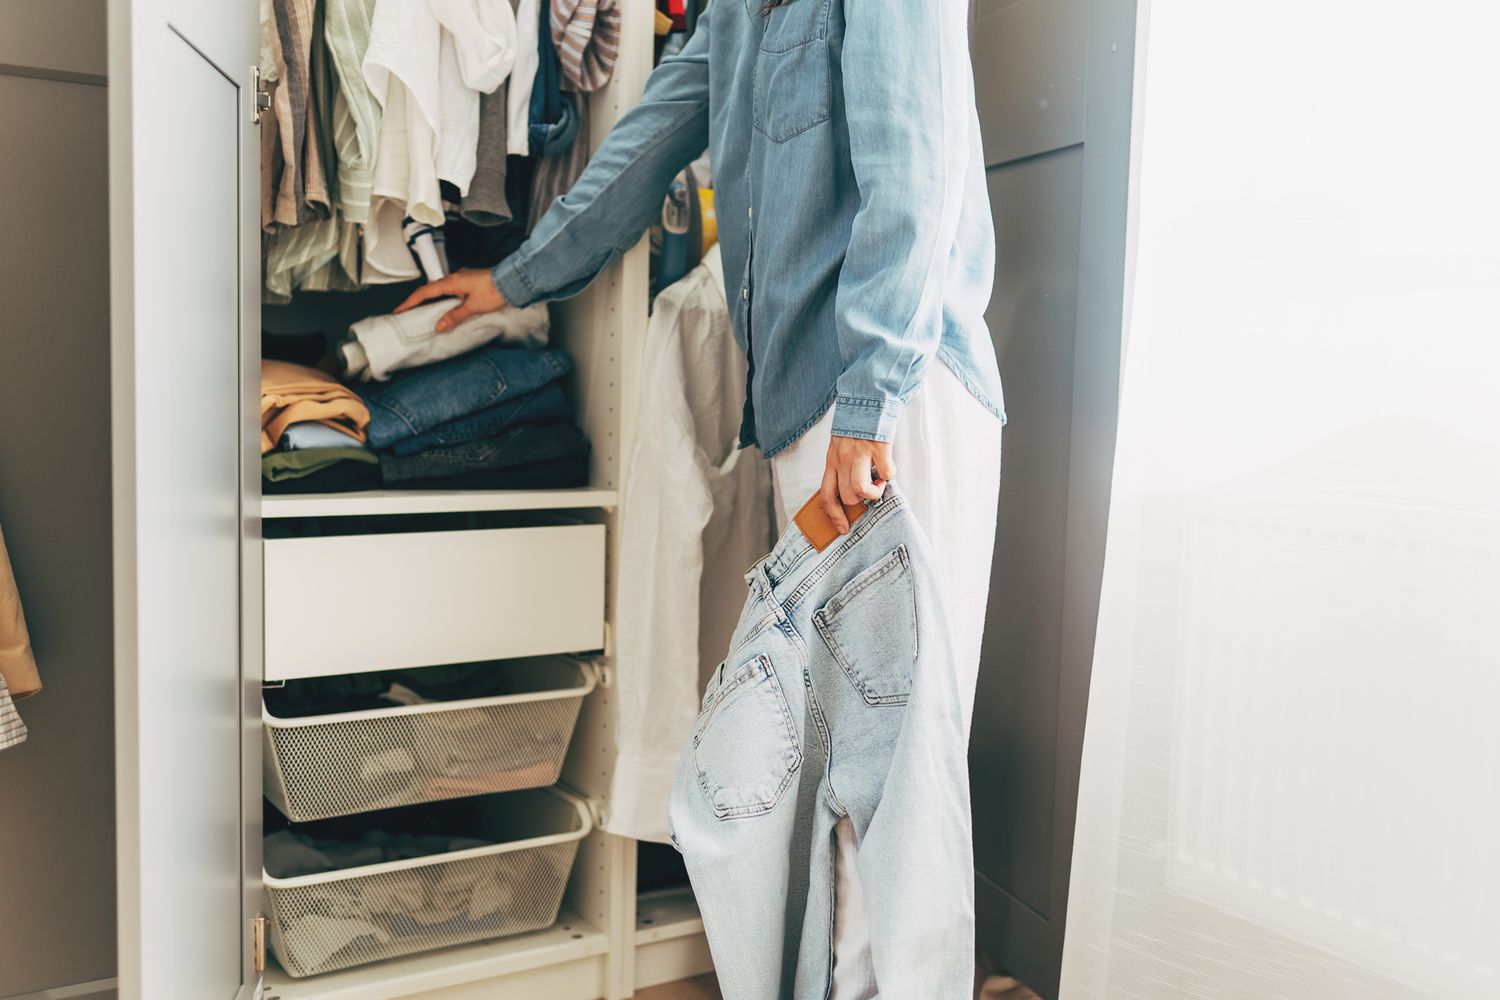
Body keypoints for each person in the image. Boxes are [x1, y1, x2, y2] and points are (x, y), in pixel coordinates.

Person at [396, 2, 1005, 996]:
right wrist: (512, 280)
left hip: (893, 400)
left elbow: (917, 167)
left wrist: (871, 400)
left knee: (890, 783)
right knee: (818, 781)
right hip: (820, 407)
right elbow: (648, 140)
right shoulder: (736, 13)